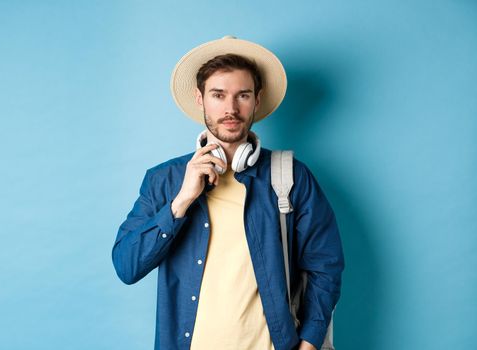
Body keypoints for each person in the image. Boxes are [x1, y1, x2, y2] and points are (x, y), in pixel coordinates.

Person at [112, 36, 345, 350]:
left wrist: (310, 342)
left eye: (242, 95)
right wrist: (181, 202)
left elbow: (325, 264)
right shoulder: (164, 180)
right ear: (200, 99)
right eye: (218, 95)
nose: (231, 108)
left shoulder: (290, 176)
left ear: (257, 100)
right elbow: (127, 266)